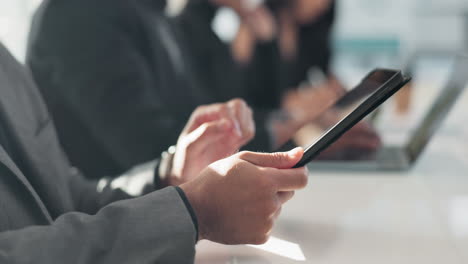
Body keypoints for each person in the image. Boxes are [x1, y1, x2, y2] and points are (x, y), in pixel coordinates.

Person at [0, 41, 308, 262]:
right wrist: (194, 211)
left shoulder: (5, 64)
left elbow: (69, 198)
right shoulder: (80, 15)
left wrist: (169, 176)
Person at [27, 0, 339, 179]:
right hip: (119, 226)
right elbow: (149, 149)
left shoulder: (157, 15)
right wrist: (290, 134)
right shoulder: (81, 12)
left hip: (159, 213)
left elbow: (205, 113)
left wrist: (292, 128)